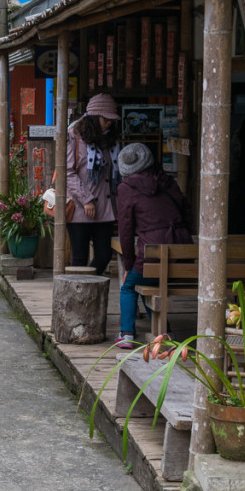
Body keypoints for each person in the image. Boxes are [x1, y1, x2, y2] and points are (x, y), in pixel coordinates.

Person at [114, 143, 192, 349]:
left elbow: (126, 229)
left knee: (129, 286)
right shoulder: (168, 181)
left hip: (153, 255)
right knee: (150, 285)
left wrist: (129, 264)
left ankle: (127, 334)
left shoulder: (126, 189)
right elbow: (186, 212)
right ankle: (165, 332)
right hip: (184, 255)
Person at [66, 93, 122, 275]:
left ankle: (88, 285)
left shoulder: (109, 141)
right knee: (79, 258)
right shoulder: (74, 138)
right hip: (80, 210)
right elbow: (67, 173)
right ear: (93, 117)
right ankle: (78, 297)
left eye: (111, 119)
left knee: (104, 255)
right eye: (105, 119)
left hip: (105, 209)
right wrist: (86, 199)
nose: (109, 123)